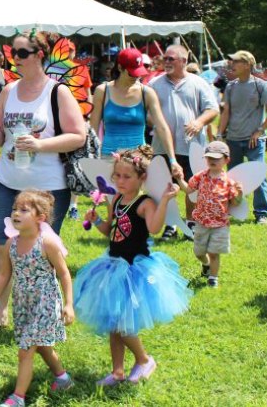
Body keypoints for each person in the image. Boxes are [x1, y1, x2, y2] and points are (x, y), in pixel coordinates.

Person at [0, 30, 87, 337]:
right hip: (7, 178)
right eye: (14, 53)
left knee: (41, 252)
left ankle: (47, 314)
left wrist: (41, 145)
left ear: (40, 55)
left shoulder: (57, 92)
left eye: (22, 53)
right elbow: (0, 134)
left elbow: (77, 134)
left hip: (45, 188)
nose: (16, 58)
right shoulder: (9, 90)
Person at [74, 146, 192, 386]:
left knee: (121, 322)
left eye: (127, 176)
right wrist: (96, 220)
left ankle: (144, 359)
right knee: (112, 322)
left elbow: (154, 228)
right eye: (117, 175)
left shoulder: (145, 202)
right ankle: (117, 372)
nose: (120, 180)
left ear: (142, 178)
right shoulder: (116, 198)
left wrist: (166, 201)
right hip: (112, 265)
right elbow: (110, 230)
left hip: (133, 269)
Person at [0, 191, 75, 407]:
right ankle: (63, 378)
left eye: (24, 210)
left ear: (40, 218)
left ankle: (18, 398)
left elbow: (64, 273)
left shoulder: (47, 244)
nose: (16, 213)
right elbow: (5, 275)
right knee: (41, 345)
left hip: (45, 302)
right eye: (15, 208)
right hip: (24, 303)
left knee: (25, 351)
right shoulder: (11, 244)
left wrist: (69, 304)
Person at [148, 44, 219, 237]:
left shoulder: (198, 83)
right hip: (163, 146)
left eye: (171, 59)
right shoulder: (154, 84)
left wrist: (199, 122)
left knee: (193, 185)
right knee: (166, 186)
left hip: (191, 146)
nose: (166, 62)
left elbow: (212, 109)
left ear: (184, 61)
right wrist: (156, 122)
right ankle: (171, 223)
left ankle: (191, 222)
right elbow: (146, 113)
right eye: (165, 59)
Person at [217, 50, 267, 224]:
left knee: (258, 176)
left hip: (255, 141)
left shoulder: (260, 86)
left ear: (247, 65)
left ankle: (261, 214)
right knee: (232, 178)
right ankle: (233, 209)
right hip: (233, 139)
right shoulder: (230, 86)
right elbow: (226, 112)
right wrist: (219, 134)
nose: (232, 65)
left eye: (236, 62)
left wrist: (260, 131)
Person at [90, 48, 180, 167]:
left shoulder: (147, 93)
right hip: (108, 158)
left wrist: (172, 160)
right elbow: (93, 128)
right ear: (120, 67)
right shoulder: (102, 91)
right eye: (132, 73)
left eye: (139, 72)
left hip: (138, 161)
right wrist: (91, 157)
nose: (136, 76)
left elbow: (162, 127)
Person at [176, 141, 242, 287]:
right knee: (198, 251)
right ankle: (205, 264)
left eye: (216, 158)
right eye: (209, 157)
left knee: (214, 252)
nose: (212, 161)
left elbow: (235, 203)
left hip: (220, 224)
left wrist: (240, 193)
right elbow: (188, 190)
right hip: (201, 221)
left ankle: (213, 278)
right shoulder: (201, 177)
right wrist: (179, 179)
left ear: (226, 160)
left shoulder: (229, 182)